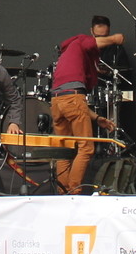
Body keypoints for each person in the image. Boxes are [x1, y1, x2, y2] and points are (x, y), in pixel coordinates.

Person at [49, 15, 123, 195]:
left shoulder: (70, 52)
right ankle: (74, 192)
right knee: (86, 148)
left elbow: (72, 102)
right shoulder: (81, 41)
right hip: (72, 98)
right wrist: (114, 39)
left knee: (65, 149)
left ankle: (62, 194)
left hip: (57, 101)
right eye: (98, 37)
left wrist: (96, 118)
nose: (100, 41)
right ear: (91, 33)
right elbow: (75, 100)